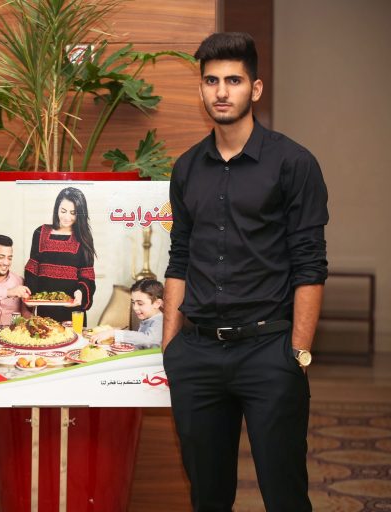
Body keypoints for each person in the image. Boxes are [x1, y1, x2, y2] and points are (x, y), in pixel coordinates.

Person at [161, 32, 328, 511]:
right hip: (197, 355)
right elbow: (180, 256)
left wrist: (298, 352)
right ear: (200, 88)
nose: (221, 91)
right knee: (207, 498)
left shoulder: (294, 163)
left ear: (255, 89)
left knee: (285, 496)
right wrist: (172, 348)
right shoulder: (187, 168)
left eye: (233, 81)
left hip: (269, 352)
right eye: (211, 80)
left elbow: (310, 264)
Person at [24, 187, 96, 322]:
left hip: (73, 312)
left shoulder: (83, 238)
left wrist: (81, 293)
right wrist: (30, 296)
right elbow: (32, 269)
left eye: (73, 213)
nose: (67, 217)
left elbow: (87, 275)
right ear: (56, 208)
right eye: (63, 211)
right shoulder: (40, 233)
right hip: (45, 311)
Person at [89, 279, 163, 346]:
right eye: (133, 303)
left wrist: (114, 333)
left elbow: (148, 339)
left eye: (140, 303)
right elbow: (139, 339)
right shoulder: (148, 318)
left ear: (157, 303)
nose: (135, 307)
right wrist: (117, 332)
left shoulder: (160, 321)